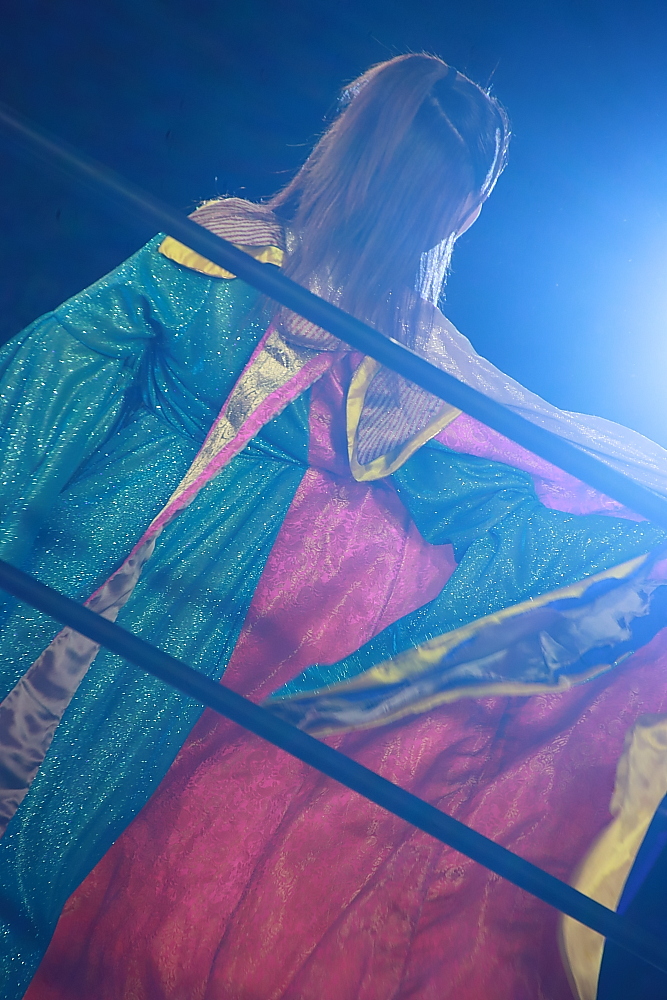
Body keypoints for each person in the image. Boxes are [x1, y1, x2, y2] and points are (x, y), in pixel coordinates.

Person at [2, 53, 667, 1000]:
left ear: (340, 139)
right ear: (463, 209)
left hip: (116, 577)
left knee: (49, 847)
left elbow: (51, 385)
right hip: (166, 611)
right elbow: (527, 511)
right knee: (50, 854)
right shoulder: (352, 328)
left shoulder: (379, 343)